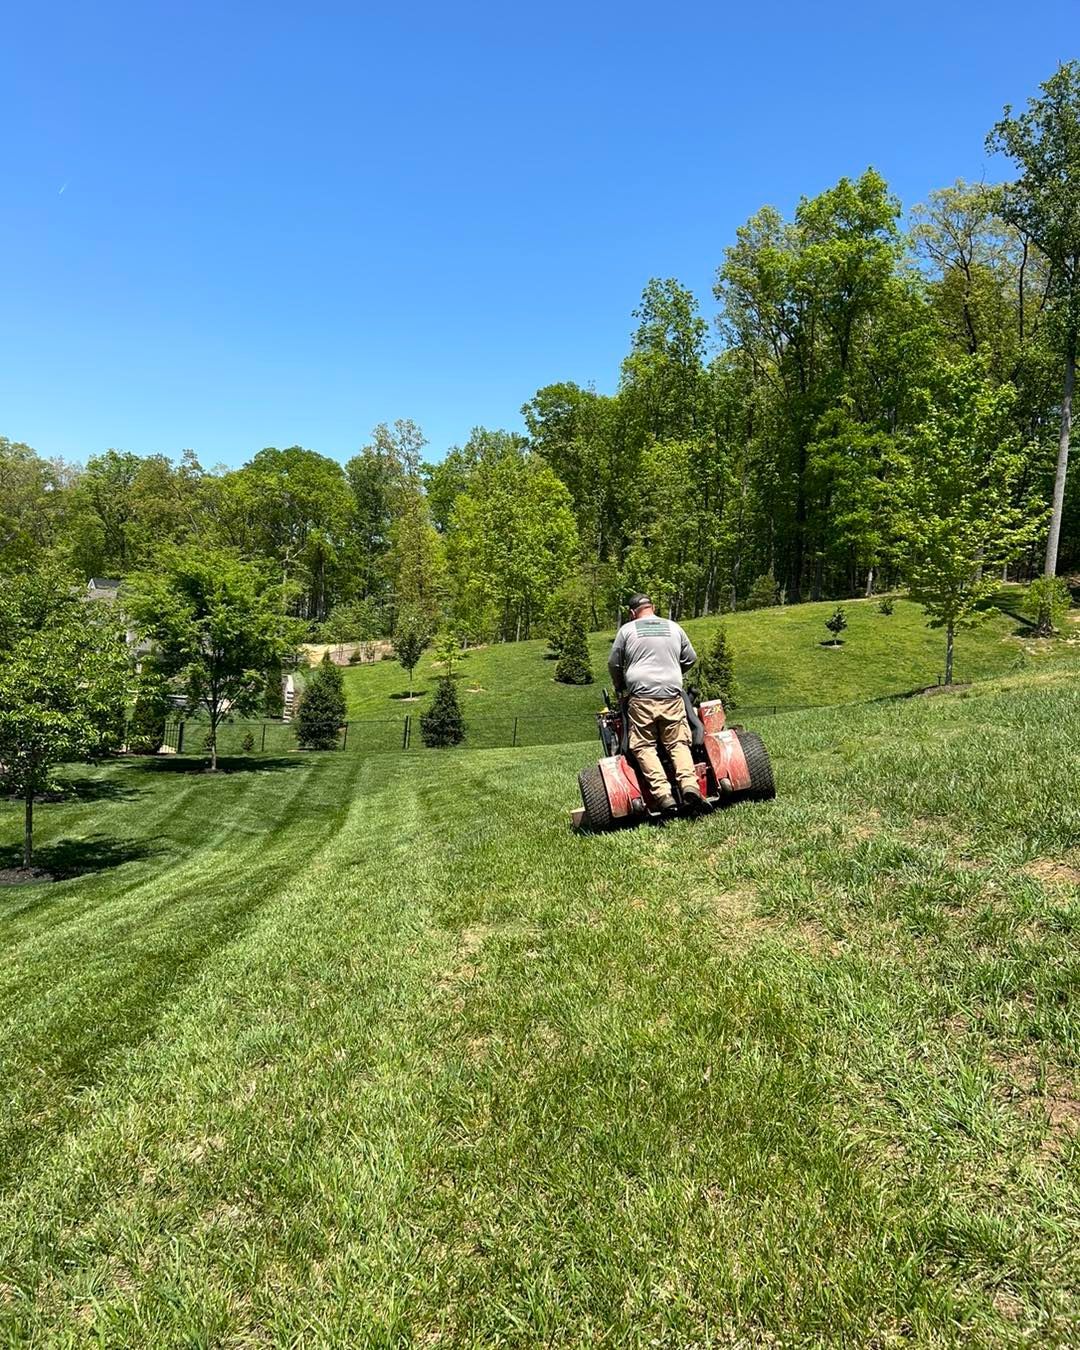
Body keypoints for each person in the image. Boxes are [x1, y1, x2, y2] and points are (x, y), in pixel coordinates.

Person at [607, 593, 701, 811]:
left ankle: (663, 795)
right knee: (678, 742)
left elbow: (614, 663)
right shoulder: (673, 627)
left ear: (632, 613)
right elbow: (691, 658)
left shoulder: (627, 631)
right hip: (672, 695)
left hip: (641, 697)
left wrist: (620, 685)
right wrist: (674, 672)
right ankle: (689, 785)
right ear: (653, 607)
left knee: (643, 745)